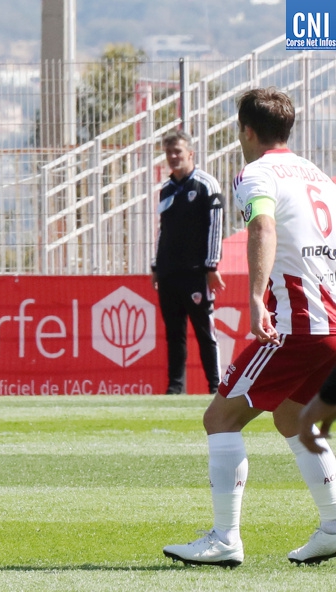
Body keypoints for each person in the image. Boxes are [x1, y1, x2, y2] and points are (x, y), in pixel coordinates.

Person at [163, 87, 336, 567]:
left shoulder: (256, 172)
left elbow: (262, 227)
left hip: (297, 323)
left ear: (246, 130)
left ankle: (224, 538)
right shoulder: (318, 176)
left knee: (220, 418)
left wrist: (256, 299)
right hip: (330, 321)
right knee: (292, 419)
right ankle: (333, 526)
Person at [151, 130, 225, 395]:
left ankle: (216, 387)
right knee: (174, 333)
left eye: (177, 151)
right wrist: (156, 266)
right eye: (168, 152)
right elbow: (162, 230)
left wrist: (211, 266)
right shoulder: (166, 189)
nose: (173, 157)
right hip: (169, 272)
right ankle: (175, 388)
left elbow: (216, 226)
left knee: (205, 331)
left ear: (190, 153)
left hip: (196, 272)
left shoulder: (207, 185)